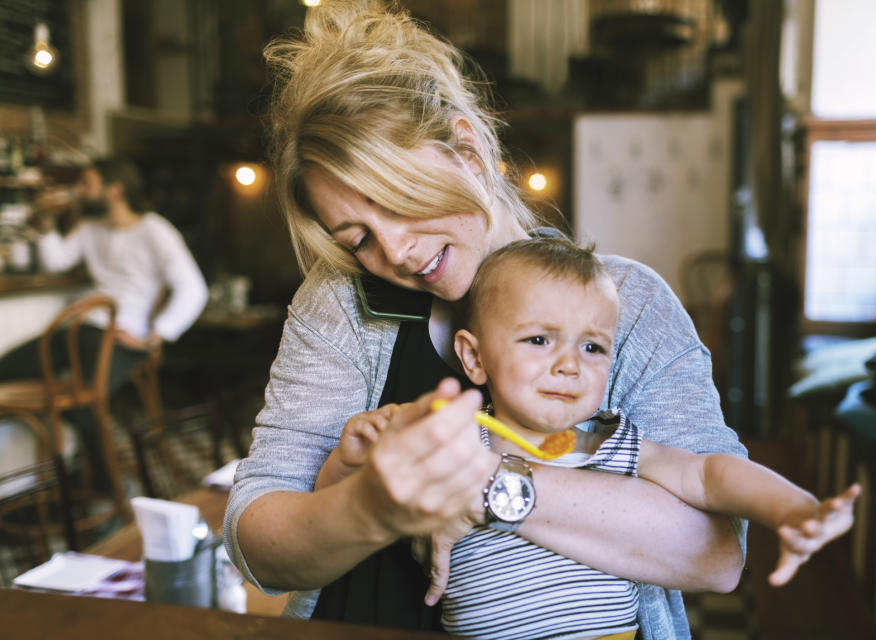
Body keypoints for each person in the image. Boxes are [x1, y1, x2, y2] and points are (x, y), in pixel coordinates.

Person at [224, 1, 746, 638]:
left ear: (468, 149)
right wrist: (371, 508)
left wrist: (483, 486)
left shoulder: (628, 304)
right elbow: (257, 547)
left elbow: (715, 553)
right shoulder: (338, 302)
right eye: (358, 235)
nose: (395, 253)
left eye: (402, 200)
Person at [316, 238, 861, 638]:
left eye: (593, 348)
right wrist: (349, 459)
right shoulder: (453, 435)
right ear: (474, 357)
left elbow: (708, 472)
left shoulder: (610, 443)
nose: (569, 365)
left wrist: (793, 510)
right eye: (539, 339)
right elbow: (335, 511)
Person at [0, 156, 208, 488]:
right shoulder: (90, 229)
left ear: (114, 190)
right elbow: (56, 262)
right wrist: (47, 223)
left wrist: (156, 336)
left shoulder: (154, 229)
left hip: (125, 338)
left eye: (86, 184)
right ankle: (78, 477)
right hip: (79, 331)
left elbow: (193, 289)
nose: (78, 191)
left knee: (84, 403)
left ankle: (102, 490)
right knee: (7, 371)